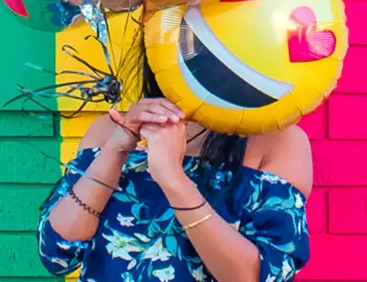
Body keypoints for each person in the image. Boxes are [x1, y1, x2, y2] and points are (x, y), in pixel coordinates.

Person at [36, 54, 312, 281]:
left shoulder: (276, 141)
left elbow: (264, 276)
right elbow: (56, 255)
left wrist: (172, 177)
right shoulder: (110, 129)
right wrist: (115, 150)